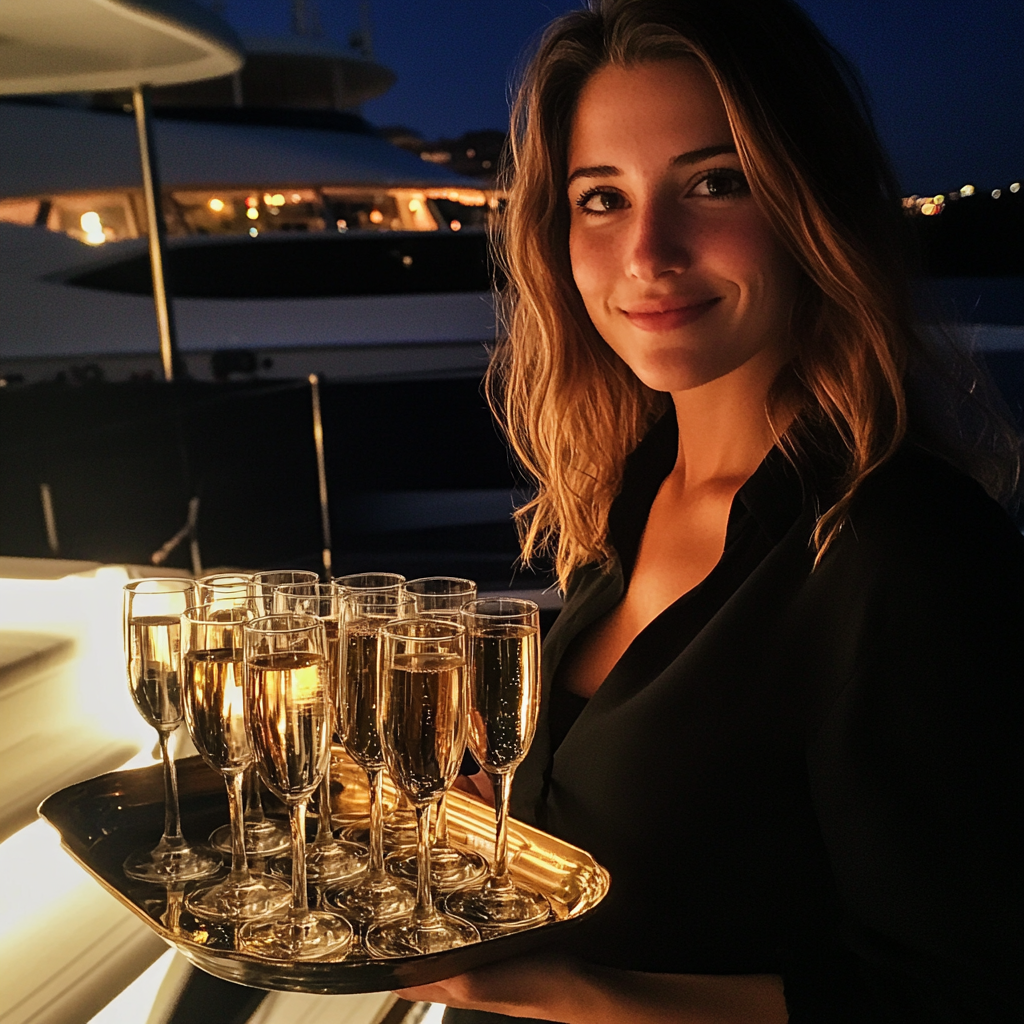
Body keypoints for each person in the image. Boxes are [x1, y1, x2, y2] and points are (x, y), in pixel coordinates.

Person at [398, 0, 1023, 1020]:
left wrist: (568, 989)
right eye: (601, 198)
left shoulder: (901, 549)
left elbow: (963, 992)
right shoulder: (631, 491)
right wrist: (510, 823)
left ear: (808, 203)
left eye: (713, 183)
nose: (648, 249)